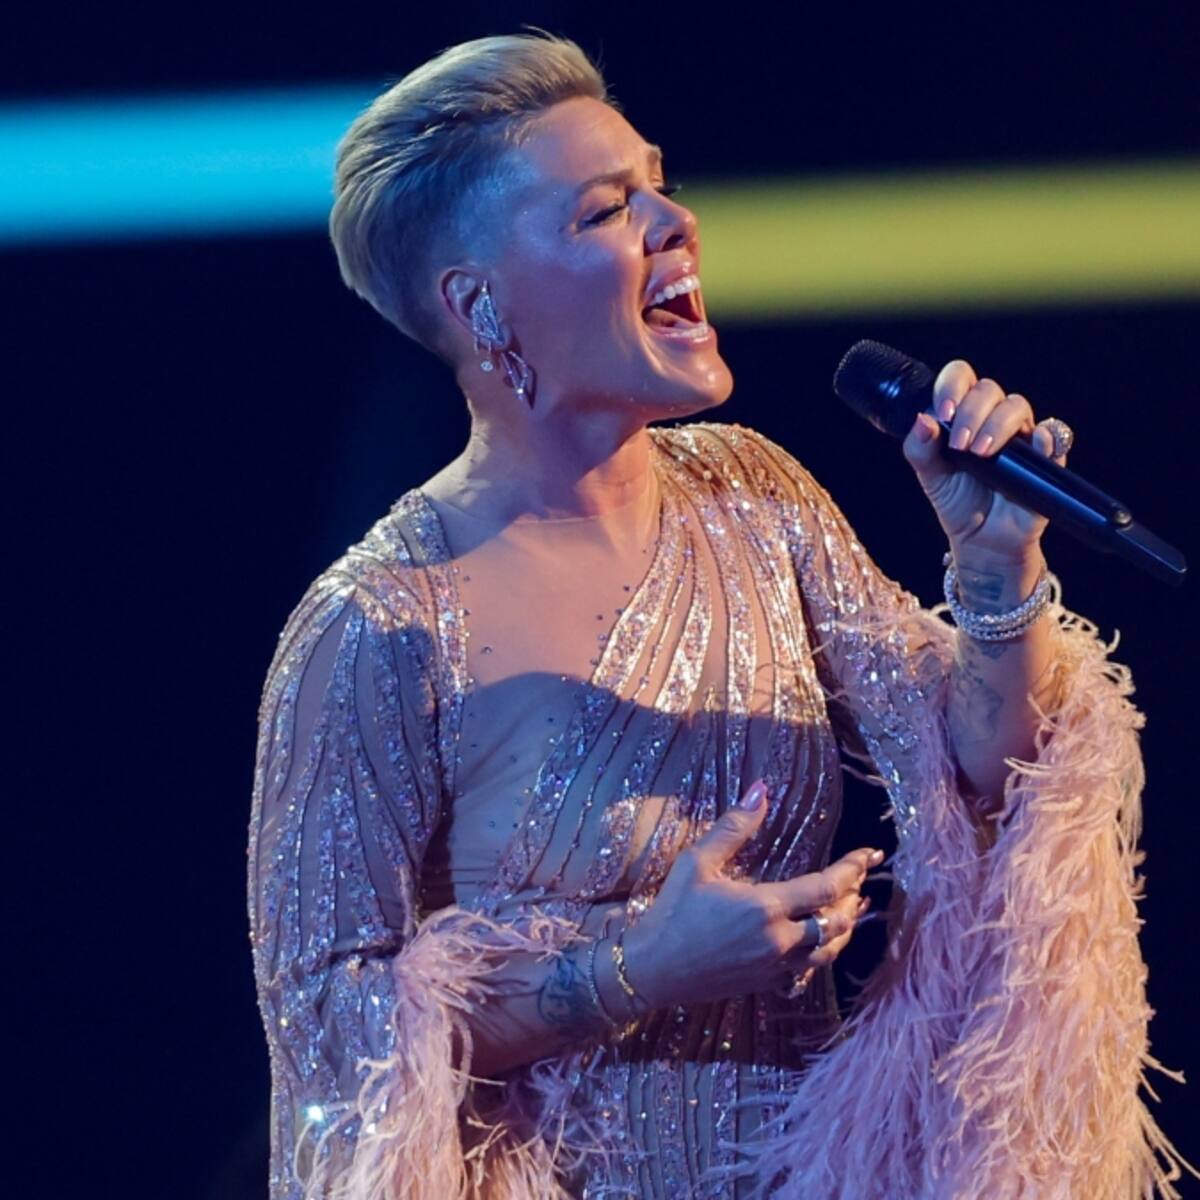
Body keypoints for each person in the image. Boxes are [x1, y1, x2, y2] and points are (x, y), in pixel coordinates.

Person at [247, 31, 1191, 1200]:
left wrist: (995, 566)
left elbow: (985, 778)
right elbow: (327, 1025)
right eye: (606, 210)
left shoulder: (754, 495)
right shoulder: (380, 620)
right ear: (479, 305)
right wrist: (634, 971)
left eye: (660, 185)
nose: (673, 222)